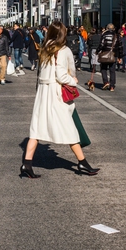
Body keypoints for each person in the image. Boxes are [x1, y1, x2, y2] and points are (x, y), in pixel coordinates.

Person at [21, 21, 99, 178]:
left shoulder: (45, 48)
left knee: (37, 129)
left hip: (43, 93)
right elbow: (62, 75)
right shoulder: (62, 50)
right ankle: (82, 162)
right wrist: (74, 81)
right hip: (56, 93)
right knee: (69, 128)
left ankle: (27, 164)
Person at [97, 24, 123, 91]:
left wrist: (97, 51)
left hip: (105, 54)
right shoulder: (117, 35)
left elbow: (101, 44)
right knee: (112, 71)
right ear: (113, 28)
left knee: (103, 69)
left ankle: (105, 82)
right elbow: (120, 46)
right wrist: (120, 56)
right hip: (113, 55)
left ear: (107, 28)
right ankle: (112, 86)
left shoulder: (104, 35)